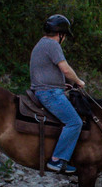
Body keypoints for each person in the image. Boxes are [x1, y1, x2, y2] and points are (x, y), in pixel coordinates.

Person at [30, 14, 86, 175]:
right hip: (49, 93)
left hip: (47, 89)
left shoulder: (41, 44)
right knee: (74, 122)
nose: (65, 39)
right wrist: (78, 81)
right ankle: (56, 160)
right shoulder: (53, 45)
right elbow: (66, 69)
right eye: (65, 35)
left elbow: (44, 70)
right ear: (60, 34)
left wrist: (62, 84)